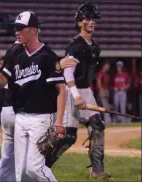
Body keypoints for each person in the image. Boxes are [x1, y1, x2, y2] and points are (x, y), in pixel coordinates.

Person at [0, 11, 70, 182]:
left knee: (35, 168)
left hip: (41, 118)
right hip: (20, 117)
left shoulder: (48, 56)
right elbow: (0, 82)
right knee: (22, 173)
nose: (16, 32)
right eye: (15, 29)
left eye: (20, 28)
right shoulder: (14, 53)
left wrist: (59, 122)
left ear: (33, 31)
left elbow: (61, 90)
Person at [45, 2, 111, 179]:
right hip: (71, 91)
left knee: (98, 125)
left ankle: (97, 170)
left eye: (93, 19)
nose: (92, 22)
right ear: (79, 22)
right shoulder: (74, 45)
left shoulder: (95, 46)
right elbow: (68, 73)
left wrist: (86, 95)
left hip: (86, 90)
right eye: (88, 19)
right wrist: (76, 97)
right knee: (67, 137)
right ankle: (41, 166)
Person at [0, 40, 21, 182]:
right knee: (25, 156)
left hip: (5, 111)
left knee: (7, 155)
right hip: (18, 111)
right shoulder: (23, 58)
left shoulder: (8, 56)